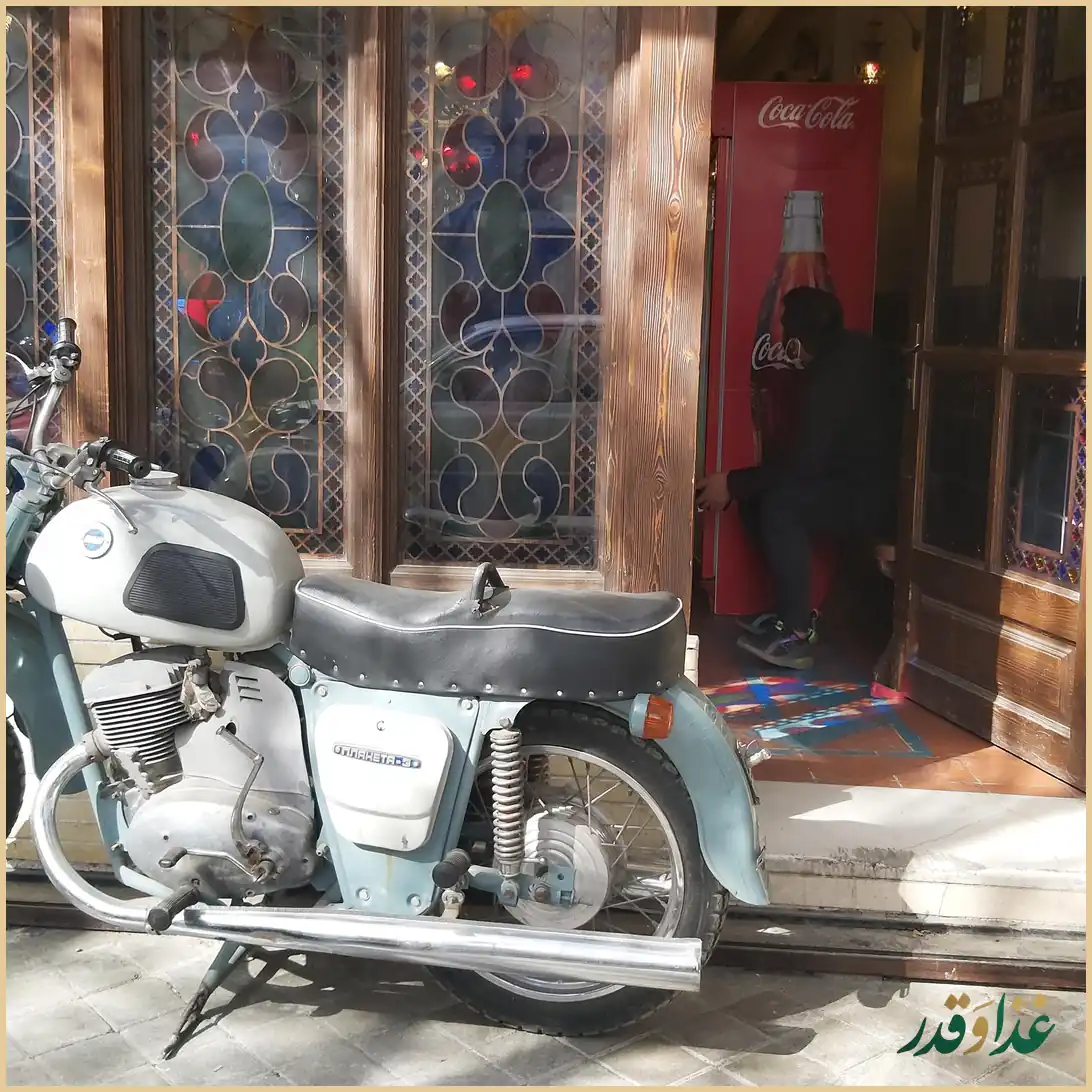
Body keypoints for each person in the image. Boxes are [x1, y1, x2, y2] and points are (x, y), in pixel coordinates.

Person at [696, 286, 904, 670]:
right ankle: (786, 612)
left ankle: (795, 632)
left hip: (880, 502)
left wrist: (732, 483)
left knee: (781, 505)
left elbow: (802, 466)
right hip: (872, 485)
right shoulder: (856, 351)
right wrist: (741, 484)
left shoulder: (828, 379)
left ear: (797, 337)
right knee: (760, 497)